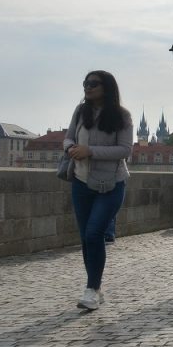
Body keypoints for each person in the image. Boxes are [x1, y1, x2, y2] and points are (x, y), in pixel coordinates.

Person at [63, 71, 133, 311]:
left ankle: (92, 288)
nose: (87, 87)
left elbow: (125, 150)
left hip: (112, 184)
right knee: (86, 238)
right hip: (81, 182)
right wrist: (71, 147)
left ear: (107, 87)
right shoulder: (80, 111)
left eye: (93, 84)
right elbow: (68, 138)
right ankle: (94, 288)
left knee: (94, 234)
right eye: (85, 83)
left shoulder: (121, 116)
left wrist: (90, 150)